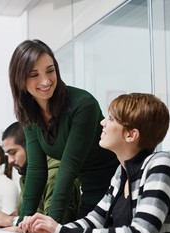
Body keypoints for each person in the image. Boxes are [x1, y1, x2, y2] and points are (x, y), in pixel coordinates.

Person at [20, 93, 170, 233]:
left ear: (130, 134)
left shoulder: (160, 164)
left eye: (111, 119)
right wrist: (49, 231)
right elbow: (95, 220)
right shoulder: (121, 172)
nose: (102, 122)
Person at [9, 39, 119, 223]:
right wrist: (21, 224)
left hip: (113, 189)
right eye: (34, 74)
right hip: (88, 189)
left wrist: (52, 225)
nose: (45, 81)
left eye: (50, 71)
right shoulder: (29, 114)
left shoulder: (83, 104)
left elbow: (68, 168)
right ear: (19, 80)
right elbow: (36, 170)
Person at [0, 122, 81, 227]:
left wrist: (11, 221)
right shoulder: (26, 178)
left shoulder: (55, 176)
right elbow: (26, 219)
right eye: (7, 154)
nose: (10, 160)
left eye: (13, 152)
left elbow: (53, 229)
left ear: (31, 147)